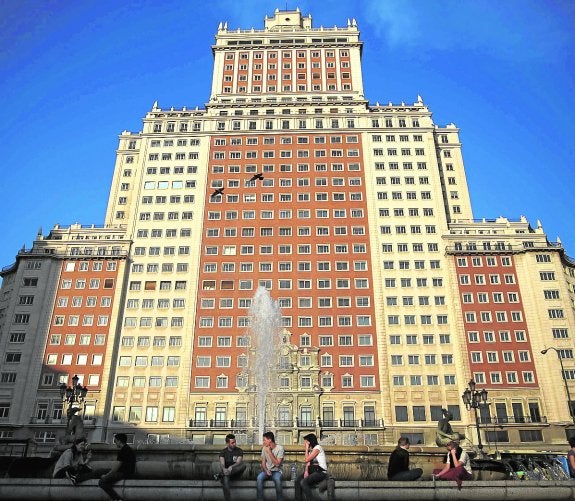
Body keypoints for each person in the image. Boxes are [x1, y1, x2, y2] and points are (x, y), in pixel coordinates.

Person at [98, 433, 136, 501]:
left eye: (115, 441)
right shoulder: (128, 448)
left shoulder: (123, 451)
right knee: (100, 471)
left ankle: (117, 499)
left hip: (124, 473)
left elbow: (116, 468)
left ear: (119, 441)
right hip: (125, 472)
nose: (115, 443)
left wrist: (106, 475)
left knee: (101, 482)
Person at [295, 433, 328, 501]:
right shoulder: (311, 451)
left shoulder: (317, 448)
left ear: (309, 442)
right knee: (297, 480)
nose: (304, 444)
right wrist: (306, 472)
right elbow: (308, 463)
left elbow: (307, 459)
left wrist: (306, 448)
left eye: (305, 442)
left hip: (321, 472)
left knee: (303, 482)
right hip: (313, 471)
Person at [216, 433, 246, 501]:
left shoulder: (239, 450)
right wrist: (224, 469)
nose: (234, 444)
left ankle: (221, 475)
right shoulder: (223, 452)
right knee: (225, 481)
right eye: (232, 443)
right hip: (227, 473)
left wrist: (231, 467)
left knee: (243, 466)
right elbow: (222, 464)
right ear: (227, 443)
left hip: (236, 473)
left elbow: (238, 462)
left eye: (235, 442)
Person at [257, 431, 284, 501]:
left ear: (270, 440)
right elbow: (263, 463)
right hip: (267, 470)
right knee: (259, 478)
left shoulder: (280, 448)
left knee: (277, 479)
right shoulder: (264, 448)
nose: (263, 442)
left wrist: (269, 452)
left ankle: (280, 499)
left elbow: (277, 464)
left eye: (264, 440)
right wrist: (266, 470)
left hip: (277, 471)